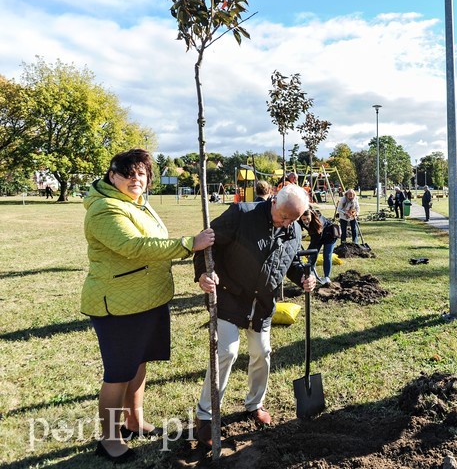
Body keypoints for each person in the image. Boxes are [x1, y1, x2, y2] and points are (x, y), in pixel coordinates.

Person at [81, 149, 215, 462]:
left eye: (141, 173)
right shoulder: (104, 209)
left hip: (149, 300)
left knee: (140, 363)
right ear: (112, 175)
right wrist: (188, 244)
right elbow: (134, 246)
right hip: (118, 305)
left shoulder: (139, 204)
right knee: (118, 373)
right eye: (127, 174)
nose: (135, 179)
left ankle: (134, 420)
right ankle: (110, 439)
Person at [193, 184, 315, 446]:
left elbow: (291, 262)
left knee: (262, 352)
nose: (286, 224)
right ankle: (205, 414)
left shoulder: (293, 228)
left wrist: (305, 276)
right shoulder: (241, 214)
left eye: (292, 219)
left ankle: (255, 403)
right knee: (227, 351)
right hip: (229, 296)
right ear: (272, 201)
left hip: (262, 304)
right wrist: (203, 273)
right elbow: (206, 244)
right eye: (283, 216)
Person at [299, 208, 336, 286]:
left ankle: (326, 277)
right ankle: (312, 274)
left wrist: (308, 251)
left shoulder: (318, 221)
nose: (306, 221)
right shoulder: (301, 220)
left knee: (327, 255)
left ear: (311, 215)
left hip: (330, 235)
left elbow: (316, 240)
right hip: (317, 236)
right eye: (304, 219)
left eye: (308, 219)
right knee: (313, 255)